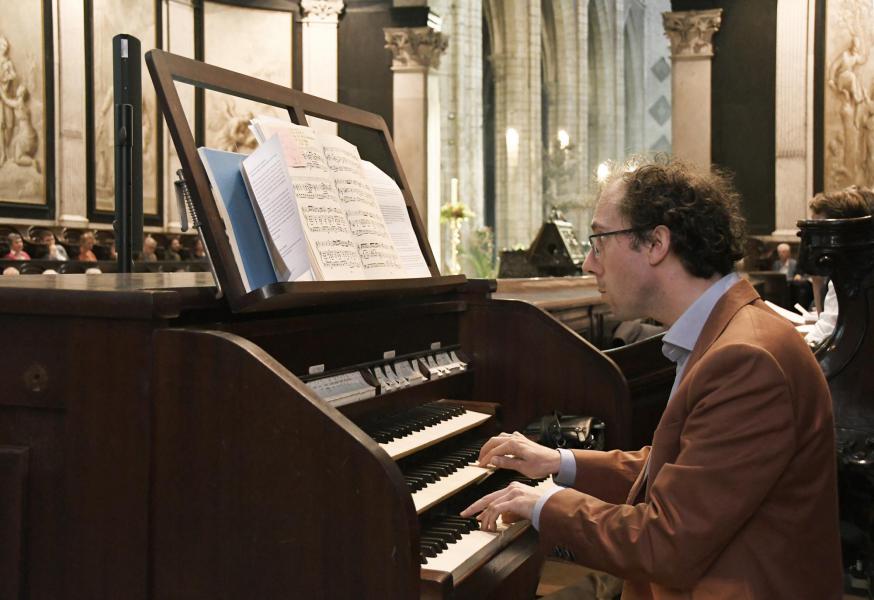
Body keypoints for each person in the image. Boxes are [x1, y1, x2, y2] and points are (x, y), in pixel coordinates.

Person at [462, 159, 842, 599]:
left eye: (598, 241)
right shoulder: (727, 331)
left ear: (656, 243)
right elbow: (685, 468)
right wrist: (559, 462)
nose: (588, 263)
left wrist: (544, 504)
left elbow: (667, 543)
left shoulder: (745, 359)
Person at [804, 185, 874, 345]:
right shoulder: (850, 265)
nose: (816, 243)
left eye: (823, 232)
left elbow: (827, 332)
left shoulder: (852, 273)